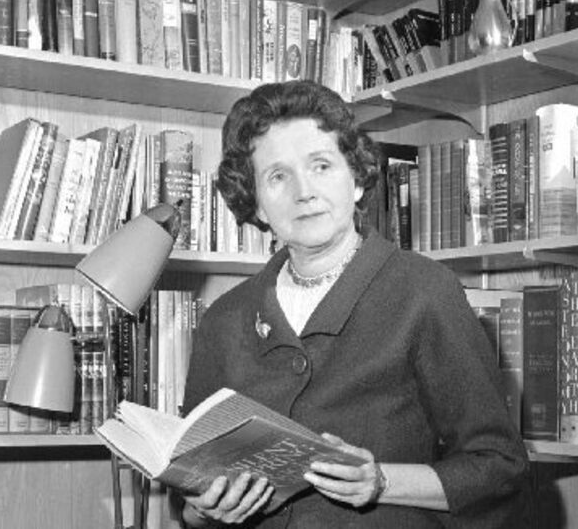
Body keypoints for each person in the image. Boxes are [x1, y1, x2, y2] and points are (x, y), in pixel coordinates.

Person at [180, 80, 531, 528]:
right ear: (259, 205)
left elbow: (500, 467)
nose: (303, 191)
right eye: (278, 176)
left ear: (358, 179)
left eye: (321, 166)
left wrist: (381, 480)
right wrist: (200, 511)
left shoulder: (425, 291)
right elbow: (192, 487)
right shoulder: (223, 320)